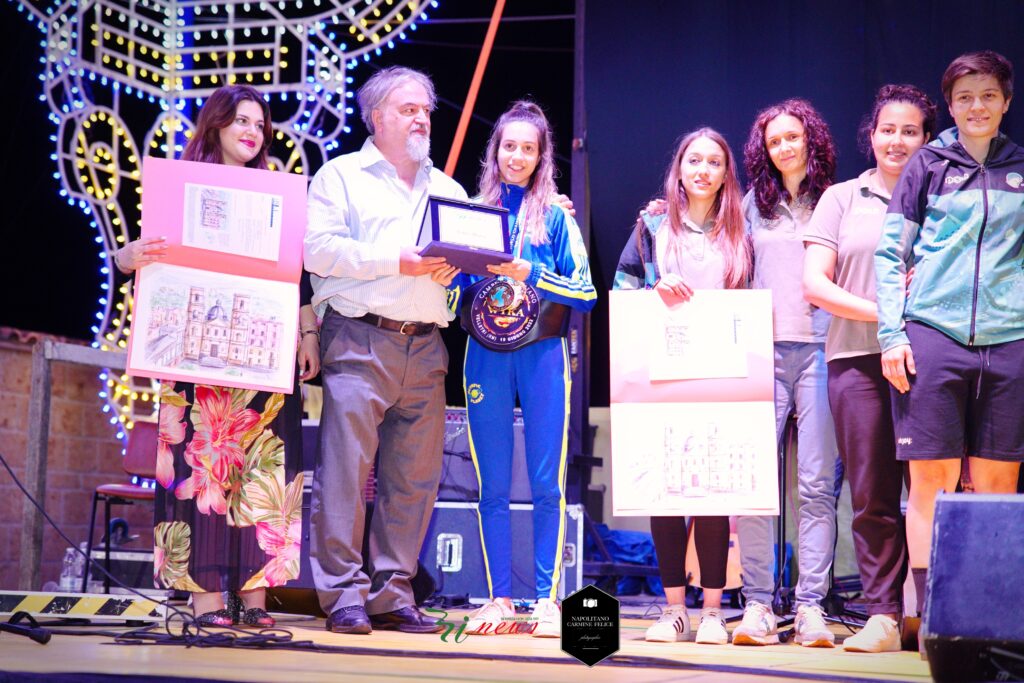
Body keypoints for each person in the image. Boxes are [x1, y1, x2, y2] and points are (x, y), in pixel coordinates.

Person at [120, 84, 320, 627]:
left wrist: (307, 335)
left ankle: (253, 600)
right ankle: (207, 599)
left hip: (263, 351)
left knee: (265, 471)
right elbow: (144, 256)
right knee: (201, 472)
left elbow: (294, 276)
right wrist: (126, 256)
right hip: (195, 358)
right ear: (215, 125)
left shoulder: (279, 196)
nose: (253, 132)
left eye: (260, 124)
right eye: (242, 122)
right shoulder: (178, 187)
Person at [303, 66, 467, 635]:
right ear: (376, 116)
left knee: (414, 478)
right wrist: (394, 258)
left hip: (426, 345)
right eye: (407, 108)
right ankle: (342, 594)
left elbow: (467, 272)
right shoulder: (340, 176)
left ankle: (393, 591)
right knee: (345, 472)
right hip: (357, 335)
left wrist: (457, 272)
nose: (421, 117)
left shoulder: (449, 190)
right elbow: (317, 250)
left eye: (425, 109)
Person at [875, 50, 1023, 645]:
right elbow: (891, 257)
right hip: (932, 337)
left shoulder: (1020, 168)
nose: (976, 106)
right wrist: (892, 334)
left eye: (988, 94)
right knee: (929, 481)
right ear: (952, 107)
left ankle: (989, 616)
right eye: (964, 97)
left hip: (1010, 342)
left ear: (1006, 101)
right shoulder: (927, 166)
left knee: (997, 485)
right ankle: (933, 614)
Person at [448, 101, 596, 639]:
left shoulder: (555, 216)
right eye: (508, 146)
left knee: (545, 482)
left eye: (527, 148)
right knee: (489, 481)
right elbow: (450, 292)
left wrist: (532, 272)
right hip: (484, 354)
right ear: (495, 151)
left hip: (541, 356)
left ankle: (546, 599)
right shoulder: (470, 212)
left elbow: (585, 293)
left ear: (541, 157)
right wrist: (448, 273)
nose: (516, 156)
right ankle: (498, 598)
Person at [804, 84, 937, 652]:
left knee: (934, 491)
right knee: (872, 494)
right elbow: (815, 285)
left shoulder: (946, 193)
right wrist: (889, 310)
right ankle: (884, 615)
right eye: (889, 129)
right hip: (856, 360)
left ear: (927, 139)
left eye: (911, 131)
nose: (898, 140)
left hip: (934, 356)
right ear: (872, 134)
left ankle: (932, 614)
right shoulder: (841, 197)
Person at [614, 128, 752, 645]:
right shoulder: (653, 224)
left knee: (716, 491)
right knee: (666, 488)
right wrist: (653, 288)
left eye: (714, 162)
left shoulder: (742, 228)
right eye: (694, 160)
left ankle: (713, 611)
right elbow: (621, 285)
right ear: (679, 169)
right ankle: (675, 610)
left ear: (724, 174)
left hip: (724, 372)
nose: (702, 170)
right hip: (662, 371)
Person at [735, 99, 839, 647]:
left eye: (792, 137)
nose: (784, 147)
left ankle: (810, 607)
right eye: (774, 140)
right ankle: (755, 604)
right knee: (754, 487)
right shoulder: (753, 205)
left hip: (823, 351)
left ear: (811, 139)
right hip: (762, 355)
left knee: (817, 486)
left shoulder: (836, 201)